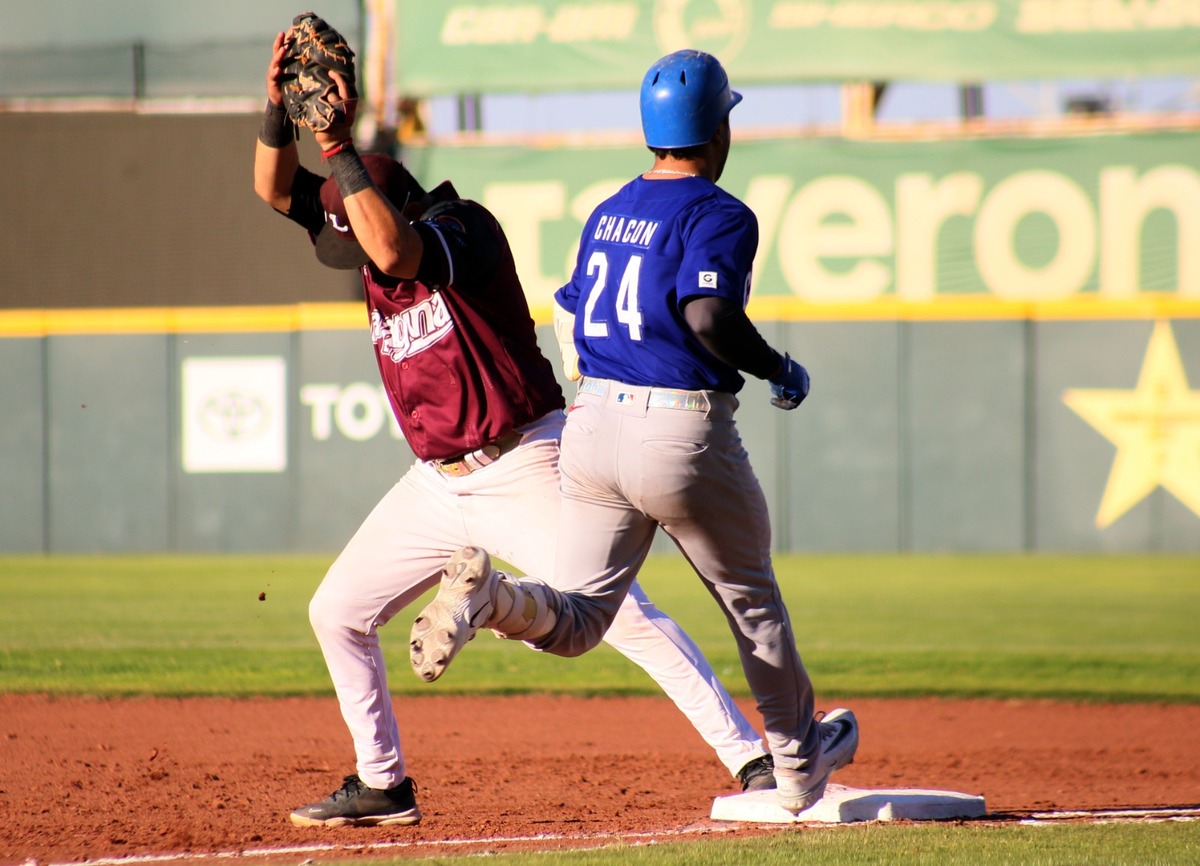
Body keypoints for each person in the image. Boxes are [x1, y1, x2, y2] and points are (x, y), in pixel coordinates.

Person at [252, 31, 777, 827]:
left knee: (622, 617)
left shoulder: (462, 230)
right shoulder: (365, 230)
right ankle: (384, 782)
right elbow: (274, 190)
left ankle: (752, 757)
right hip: (436, 481)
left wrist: (338, 143)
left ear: (384, 202)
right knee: (337, 612)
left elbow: (394, 251)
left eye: (352, 220)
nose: (343, 243)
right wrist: (276, 107)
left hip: (524, 456)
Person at [410, 49, 859, 816]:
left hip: (593, 423)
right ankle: (795, 764)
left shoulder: (609, 207)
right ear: (717, 127)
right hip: (680, 430)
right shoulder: (722, 212)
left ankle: (492, 601)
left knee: (581, 616)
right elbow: (709, 315)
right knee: (751, 603)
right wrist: (778, 366)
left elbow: (570, 308)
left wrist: (594, 391)